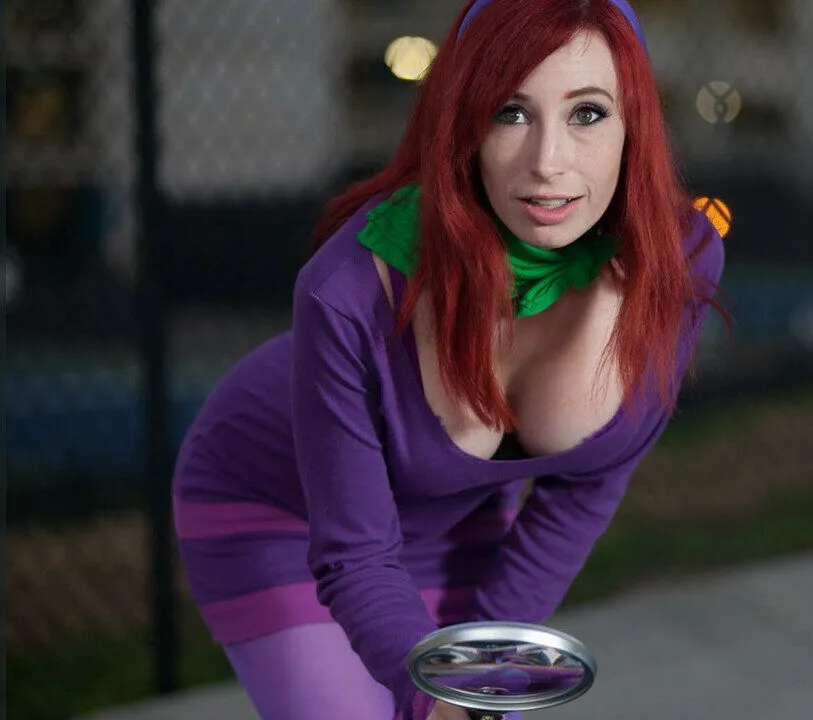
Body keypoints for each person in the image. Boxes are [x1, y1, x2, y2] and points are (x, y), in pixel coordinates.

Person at [171, 0, 727, 718]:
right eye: (510, 113)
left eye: (587, 113)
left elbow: (585, 491)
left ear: (635, 125)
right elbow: (354, 554)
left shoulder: (678, 260)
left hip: (456, 524)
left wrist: (482, 671)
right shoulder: (348, 288)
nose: (547, 163)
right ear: (464, 125)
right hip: (281, 511)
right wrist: (430, 693)